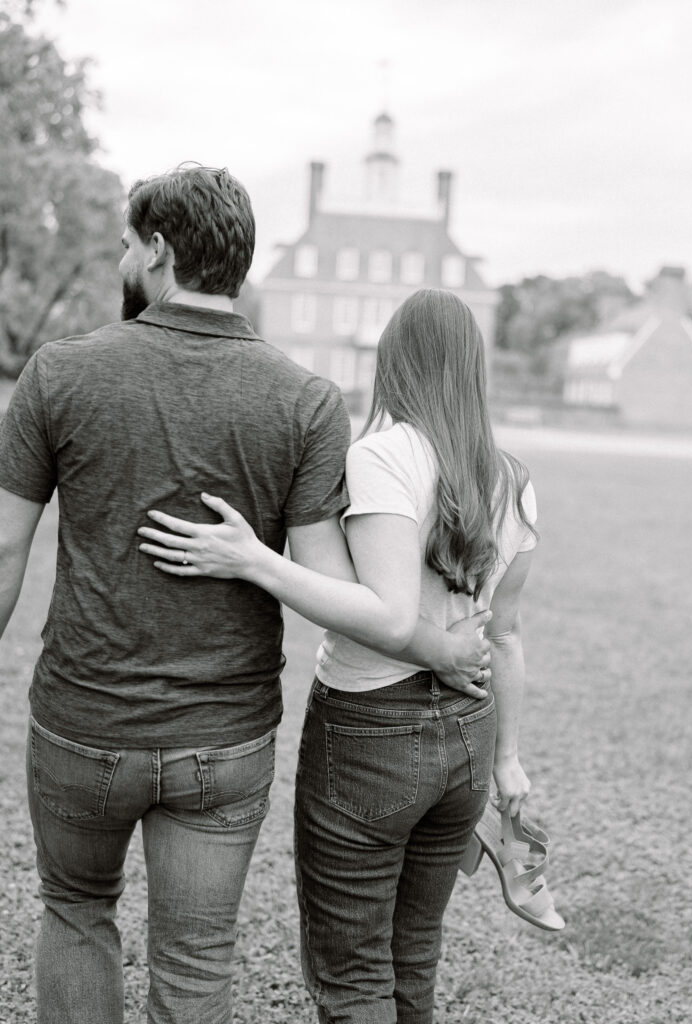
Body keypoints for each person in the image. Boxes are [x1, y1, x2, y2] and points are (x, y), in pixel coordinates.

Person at [0, 169, 489, 1024]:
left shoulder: (58, 373)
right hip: (222, 744)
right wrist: (440, 648)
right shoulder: (304, 400)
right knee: (195, 960)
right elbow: (337, 589)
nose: (124, 256)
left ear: (158, 250)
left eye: (126, 242)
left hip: (85, 722)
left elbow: (6, 544)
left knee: (77, 913)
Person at [137, 287, 539, 1024]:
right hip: (469, 740)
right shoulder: (512, 480)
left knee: (352, 971)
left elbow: (382, 616)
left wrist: (253, 558)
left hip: (373, 731)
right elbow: (505, 635)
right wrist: (507, 756)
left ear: (394, 364)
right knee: (412, 955)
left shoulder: (384, 458)